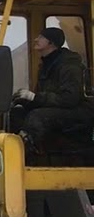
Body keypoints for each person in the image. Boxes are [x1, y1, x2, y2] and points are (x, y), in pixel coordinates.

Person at [11, 26, 94, 154]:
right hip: (62, 108)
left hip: (80, 111)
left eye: (41, 37)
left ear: (51, 43)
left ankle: (27, 155)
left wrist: (35, 97)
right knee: (17, 112)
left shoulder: (69, 66)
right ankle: (16, 149)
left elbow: (70, 99)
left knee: (37, 117)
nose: (36, 39)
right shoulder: (47, 64)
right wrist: (23, 100)